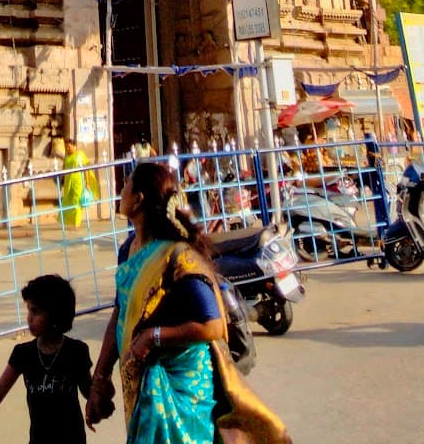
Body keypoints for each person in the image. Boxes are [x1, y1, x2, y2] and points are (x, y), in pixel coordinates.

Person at [87, 162, 290, 444]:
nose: (120, 192)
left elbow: (213, 326)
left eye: (126, 185)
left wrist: (154, 336)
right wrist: (100, 377)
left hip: (180, 388)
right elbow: (120, 311)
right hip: (143, 384)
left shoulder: (178, 256)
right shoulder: (129, 250)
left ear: (138, 200)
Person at [0, 274, 92, 444]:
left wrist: (95, 406)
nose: (29, 317)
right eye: (28, 310)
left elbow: (90, 391)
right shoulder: (23, 354)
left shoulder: (76, 351)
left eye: (35, 311)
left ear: (55, 315)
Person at [60, 139, 97, 229]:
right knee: (67, 201)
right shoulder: (67, 157)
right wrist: (62, 180)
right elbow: (64, 169)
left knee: (76, 201)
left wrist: (87, 182)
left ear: (74, 146)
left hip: (78, 181)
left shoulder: (80, 155)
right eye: (66, 147)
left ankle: (76, 223)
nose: (67, 149)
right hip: (68, 182)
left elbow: (85, 169)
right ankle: (68, 221)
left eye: (69, 147)